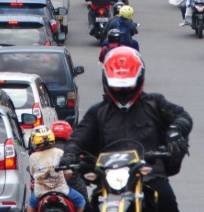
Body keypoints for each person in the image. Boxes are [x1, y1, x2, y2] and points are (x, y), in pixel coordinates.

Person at [61, 48, 192, 212]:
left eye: (128, 86)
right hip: (108, 178)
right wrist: (69, 154)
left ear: (139, 79)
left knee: (166, 199)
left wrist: (175, 130)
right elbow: (78, 138)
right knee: (90, 205)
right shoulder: (98, 112)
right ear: (106, 81)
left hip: (149, 174)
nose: (123, 92)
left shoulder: (155, 104)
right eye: (117, 87)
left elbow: (182, 117)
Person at [27, 126, 87, 212]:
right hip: (62, 189)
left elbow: (33, 174)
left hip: (40, 192)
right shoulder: (60, 152)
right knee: (81, 200)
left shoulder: (32, 157)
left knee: (31, 204)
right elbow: (68, 174)